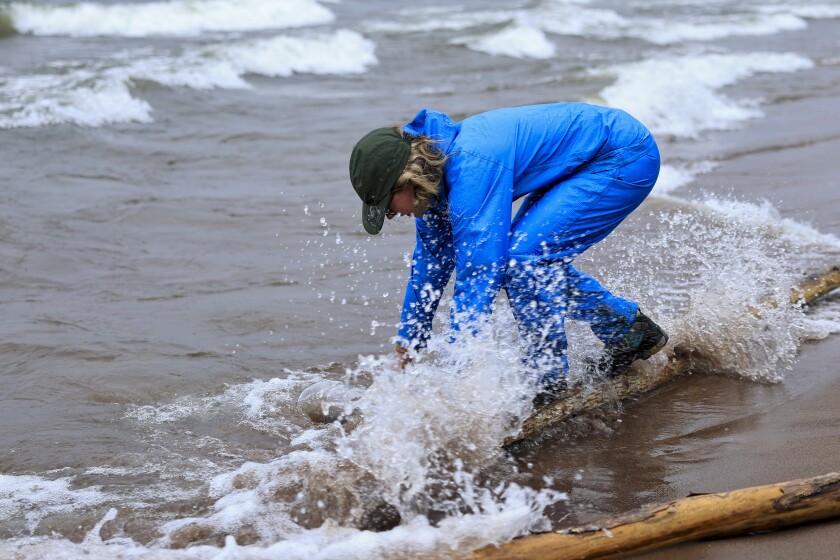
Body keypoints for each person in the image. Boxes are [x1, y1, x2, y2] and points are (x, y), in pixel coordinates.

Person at [348, 102, 668, 407]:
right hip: (580, 164)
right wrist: (407, 348)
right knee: (522, 262)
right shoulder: (432, 185)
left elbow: (479, 276)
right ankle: (629, 332)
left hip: (623, 155)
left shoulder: (471, 166)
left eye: (386, 206)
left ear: (406, 181)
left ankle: (548, 382)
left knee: (522, 262)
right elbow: (429, 269)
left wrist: (459, 386)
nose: (390, 215)